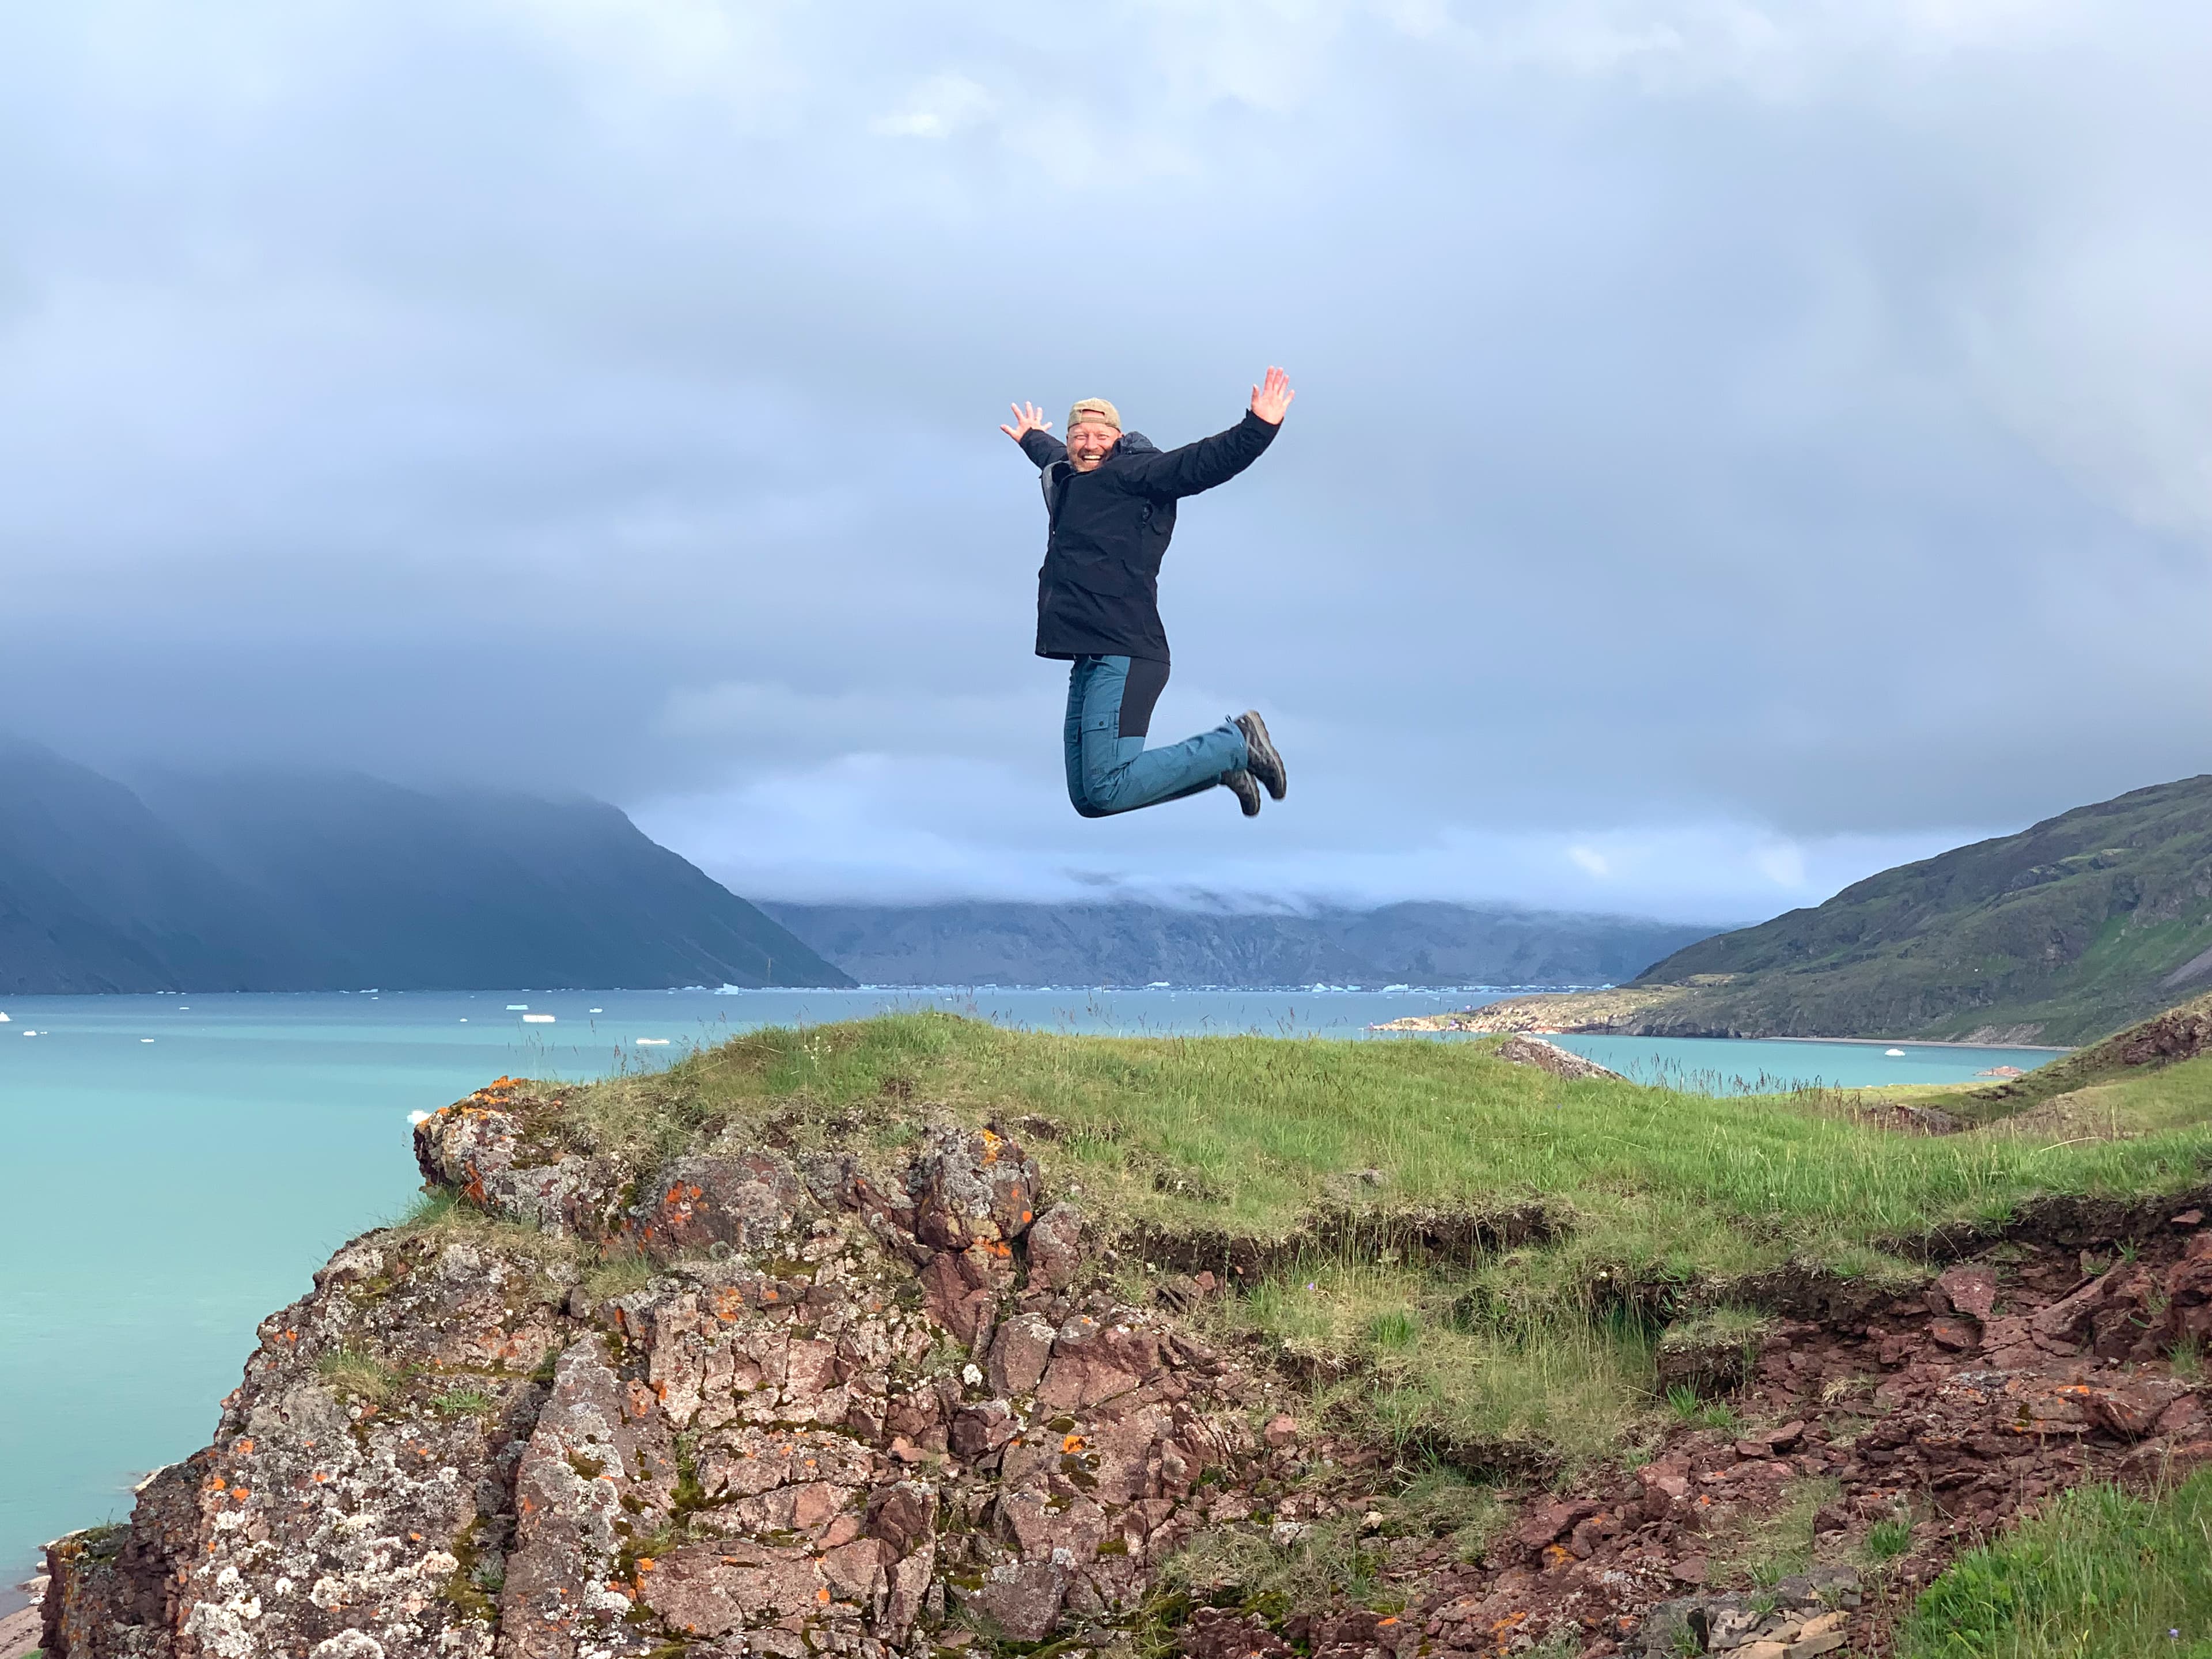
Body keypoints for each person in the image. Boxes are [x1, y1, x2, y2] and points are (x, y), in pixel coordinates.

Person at [1001, 368, 1294, 820]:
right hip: (1086, 655)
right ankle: (1218, 768)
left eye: (1101, 434)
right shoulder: (1070, 478)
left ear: (1117, 439)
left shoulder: (1138, 474)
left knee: (1106, 788)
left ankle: (1235, 743)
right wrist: (1031, 439)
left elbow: (1204, 462)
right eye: (1079, 434)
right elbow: (1055, 455)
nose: (1089, 443)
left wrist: (1259, 427)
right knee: (1088, 800)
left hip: (1125, 651)